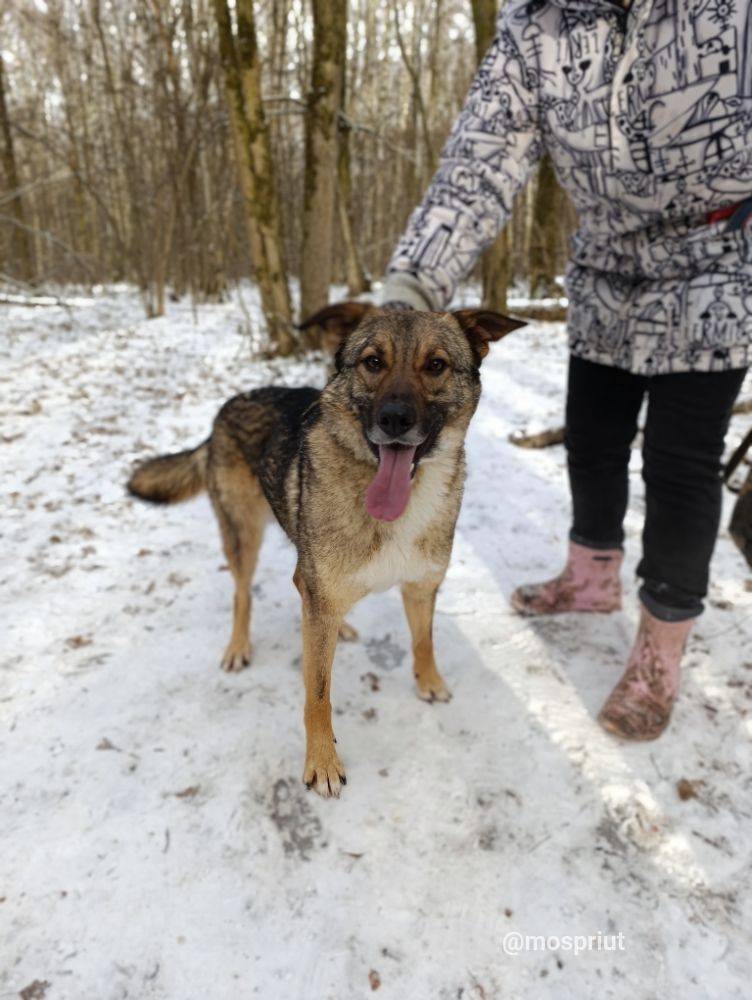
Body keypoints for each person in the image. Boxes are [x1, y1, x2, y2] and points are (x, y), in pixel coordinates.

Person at [378, 0, 752, 740]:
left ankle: (661, 644)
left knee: (681, 465)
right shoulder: (534, 27)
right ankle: (589, 576)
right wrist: (409, 292)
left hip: (720, 263)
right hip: (606, 265)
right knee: (592, 437)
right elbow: (480, 163)